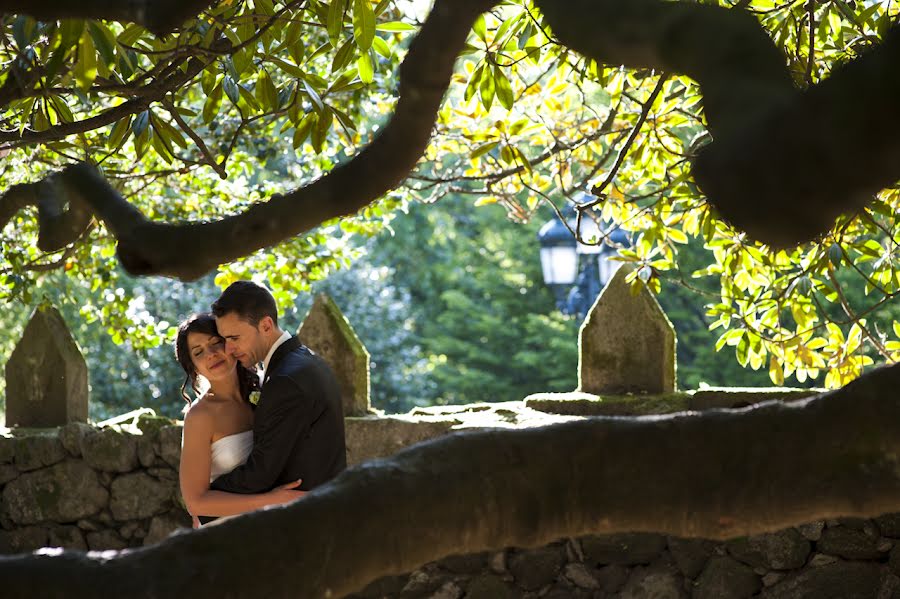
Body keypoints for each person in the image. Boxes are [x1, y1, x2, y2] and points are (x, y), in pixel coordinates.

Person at [205, 280, 346, 524]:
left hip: (305, 523)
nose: (228, 349)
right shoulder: (306, 362)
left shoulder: (286, 380)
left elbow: (261, 473)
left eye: (234, 338)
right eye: (224, 339)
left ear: (266, 325)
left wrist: (208, 498)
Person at [175, 313, 306, 525]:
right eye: (199, 352)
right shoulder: (200, 417)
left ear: (232, 343)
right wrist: (271, 500)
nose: (211, 354)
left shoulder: (267, 392)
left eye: (216, 343)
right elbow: (196, 503)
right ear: (194, 368)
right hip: (227, 533)